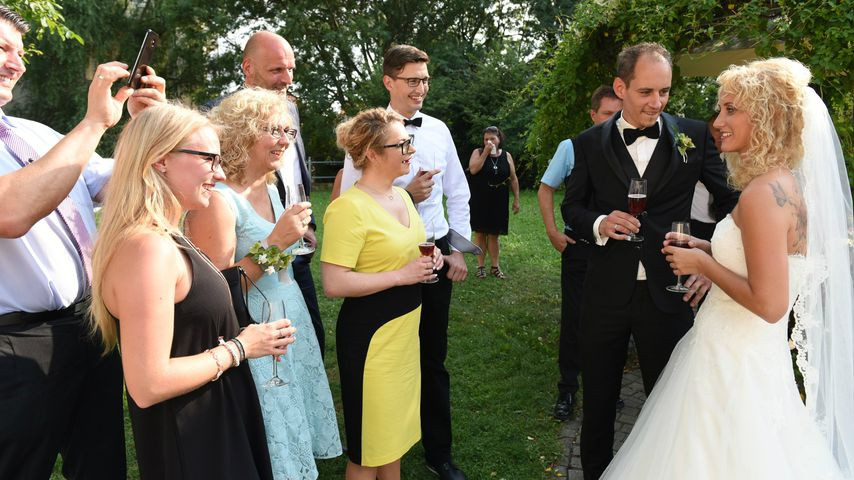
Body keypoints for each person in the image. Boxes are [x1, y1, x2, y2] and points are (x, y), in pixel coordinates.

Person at [602, 57, 854, 479]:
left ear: (767, 117)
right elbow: (770, 264)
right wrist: (710, 247)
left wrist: (703, 262)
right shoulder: (785, 184)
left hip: (731, 365)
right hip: (753, 358)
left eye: (731, 109)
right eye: (721, 108)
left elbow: (771, 303)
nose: (717, 121)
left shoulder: (761, 195)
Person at [560, 42, 740, 479]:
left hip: (670, 294)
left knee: (670, 401)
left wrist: (720, 259)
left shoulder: (694, 135)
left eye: (664, 92)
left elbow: (734, 203)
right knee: (599, 399)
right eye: (646, 92)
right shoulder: (587, 144)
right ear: (620, 87)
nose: (657, 103)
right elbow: (573, 208)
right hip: (604, 294)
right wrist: (600, 222)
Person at [0, 7, 165, 478]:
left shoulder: (36, 134)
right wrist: (95, 122)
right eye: (2, 49)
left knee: (100, 463)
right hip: (15, 345)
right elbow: (9, 213)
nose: (18, 64)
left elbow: (123, 183)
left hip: (89, 328)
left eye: (19, 52)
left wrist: (143, 127)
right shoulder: (73, 135)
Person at [90, 103, 295, 480]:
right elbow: (148, 384)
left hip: (212, 423)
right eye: (209, 159)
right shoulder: (146, 249)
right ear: (161, 159)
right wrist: (241, 347)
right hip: (194, 442)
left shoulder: (166, 236)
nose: (219, 173)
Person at [186, 87, 342, 478]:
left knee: (295, 422)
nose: (285, 140)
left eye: (289, 132)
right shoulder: (219, 201)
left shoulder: (271, 187)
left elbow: (277, 254)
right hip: (255, 326)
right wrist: (275, 242)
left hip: (292, 317)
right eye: (274, 130)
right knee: (272, 434)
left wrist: (295, 238)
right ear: (243, 132)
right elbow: (220, 290)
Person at [339, 44, 471, 480]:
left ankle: (438, 451)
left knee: (432, 356)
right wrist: (405, 195)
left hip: (433, 252)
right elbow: (352, 203)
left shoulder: (438, 130)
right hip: (384, 263)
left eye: (425, 80)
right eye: (412, 80)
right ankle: (381, 440)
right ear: (389, 82)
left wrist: (457, 248)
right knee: (391, 361)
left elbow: (458, 191)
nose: (421, 88)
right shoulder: (369, 135)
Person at [322, 107, 443, 479]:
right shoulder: (348, 209)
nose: (410, 150)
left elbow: (409, 248)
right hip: (371, 339)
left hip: (404, 334)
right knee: (368, 449)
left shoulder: (403, 198)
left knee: (394, 439)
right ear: (373, 153)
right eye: (402, 143)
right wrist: (401, 275)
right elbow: (334, 283)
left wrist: (431, 255)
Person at [209, 30, 326, 358]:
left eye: (291, 69)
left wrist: (307, 225)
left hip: (292, 245)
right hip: (252, 294)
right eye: (277, 70)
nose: (287, 78)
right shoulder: (219, 116)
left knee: (312, 339)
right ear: (248, 67)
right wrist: (276, 241)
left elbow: (296, 171)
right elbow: (221, 289)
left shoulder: (291, 109)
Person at [537, 85, 621, 421]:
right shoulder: (571, 147)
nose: (612, 122)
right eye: (606, 115)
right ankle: (567, 390)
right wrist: (552, 231)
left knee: (612, 324)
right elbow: (545, 189)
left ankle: (606, 389)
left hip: (618, 252)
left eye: (617, 115)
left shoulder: (633, 149)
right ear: (592, 115)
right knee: (575, 320)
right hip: (580, 249)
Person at [467, 125, 520, 279]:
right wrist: (485, 153)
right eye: (486, 139)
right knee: (480, 233)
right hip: (480, 197)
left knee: (494, 234)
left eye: (492, 139)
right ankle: (481, 266)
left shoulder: (507, 156)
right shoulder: (478, 152)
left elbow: (514, 178)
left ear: (499, 139)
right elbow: (473, 170)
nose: (489, 141)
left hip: (499, 198)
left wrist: (516, 199)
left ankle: (495, 267)